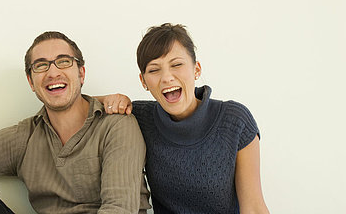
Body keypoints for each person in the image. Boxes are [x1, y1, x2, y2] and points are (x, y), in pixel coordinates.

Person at [0, 31, 150, 214]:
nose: (53, 72)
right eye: (41, 65)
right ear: (31, 81)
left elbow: (119, 209)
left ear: (81, 73)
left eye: (64, 61)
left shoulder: (116, 125)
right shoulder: (24, 138)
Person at [101, 23, 269, 214]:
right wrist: (109, 99)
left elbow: (254, 208)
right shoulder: (140, 118)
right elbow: (81, 103)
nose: (167, 77)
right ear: (143, 81)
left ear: (196, 69)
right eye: (154, 70)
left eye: (177, 65)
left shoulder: (235, 121)